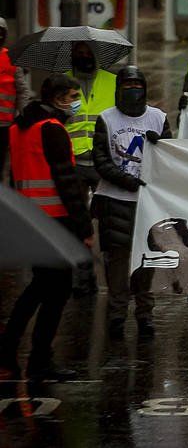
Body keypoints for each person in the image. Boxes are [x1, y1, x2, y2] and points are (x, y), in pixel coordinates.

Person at [1, 75, 93, 381]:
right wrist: (83, 227)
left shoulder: (17, 128)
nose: (73, 103)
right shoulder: (52, 130)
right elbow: (67, 183)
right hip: (56, 220)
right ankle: (40, 360)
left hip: (30, 219)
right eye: (69, 97)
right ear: (55, 99)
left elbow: (15, 177)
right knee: (56, 292)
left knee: (39, 287)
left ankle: (11, 349)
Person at [92, 66, 170, 337]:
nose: (132, 90)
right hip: (115, 201)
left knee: (146, 261)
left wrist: (160, 145)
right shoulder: (106, 118)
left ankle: (145, 314)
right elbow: (100, 160)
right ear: (119, 89)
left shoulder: (158, 118)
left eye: (137, 85)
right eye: (127, 86)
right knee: (117, 262)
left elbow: (172, 159)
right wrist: (125, 180)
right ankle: (116, 315)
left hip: (147, 204)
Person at [65, 41, 118, 189]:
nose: (85, 57)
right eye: (80, 53)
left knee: (103, 210)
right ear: (73, 55)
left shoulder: (113, 81)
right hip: (73, 159)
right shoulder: (61, 81)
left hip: (104, 159)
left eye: (89, 53)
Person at [0, 17, 34, 175]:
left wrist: (23, 114)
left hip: (4, 125)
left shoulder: (12, 58)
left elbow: (22, 90)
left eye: (1, 33)